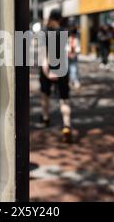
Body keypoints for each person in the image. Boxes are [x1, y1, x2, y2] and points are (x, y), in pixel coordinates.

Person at [39, 10, 72, 143]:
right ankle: (67, 126)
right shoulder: (65, 32)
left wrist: (47, 71)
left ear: (52, 18)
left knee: (45, 95)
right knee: (64, 99)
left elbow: (43, 55)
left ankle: (46, 118)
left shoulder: (45, 33)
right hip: (63, 68)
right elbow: (68, 51)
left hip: (49, 69)